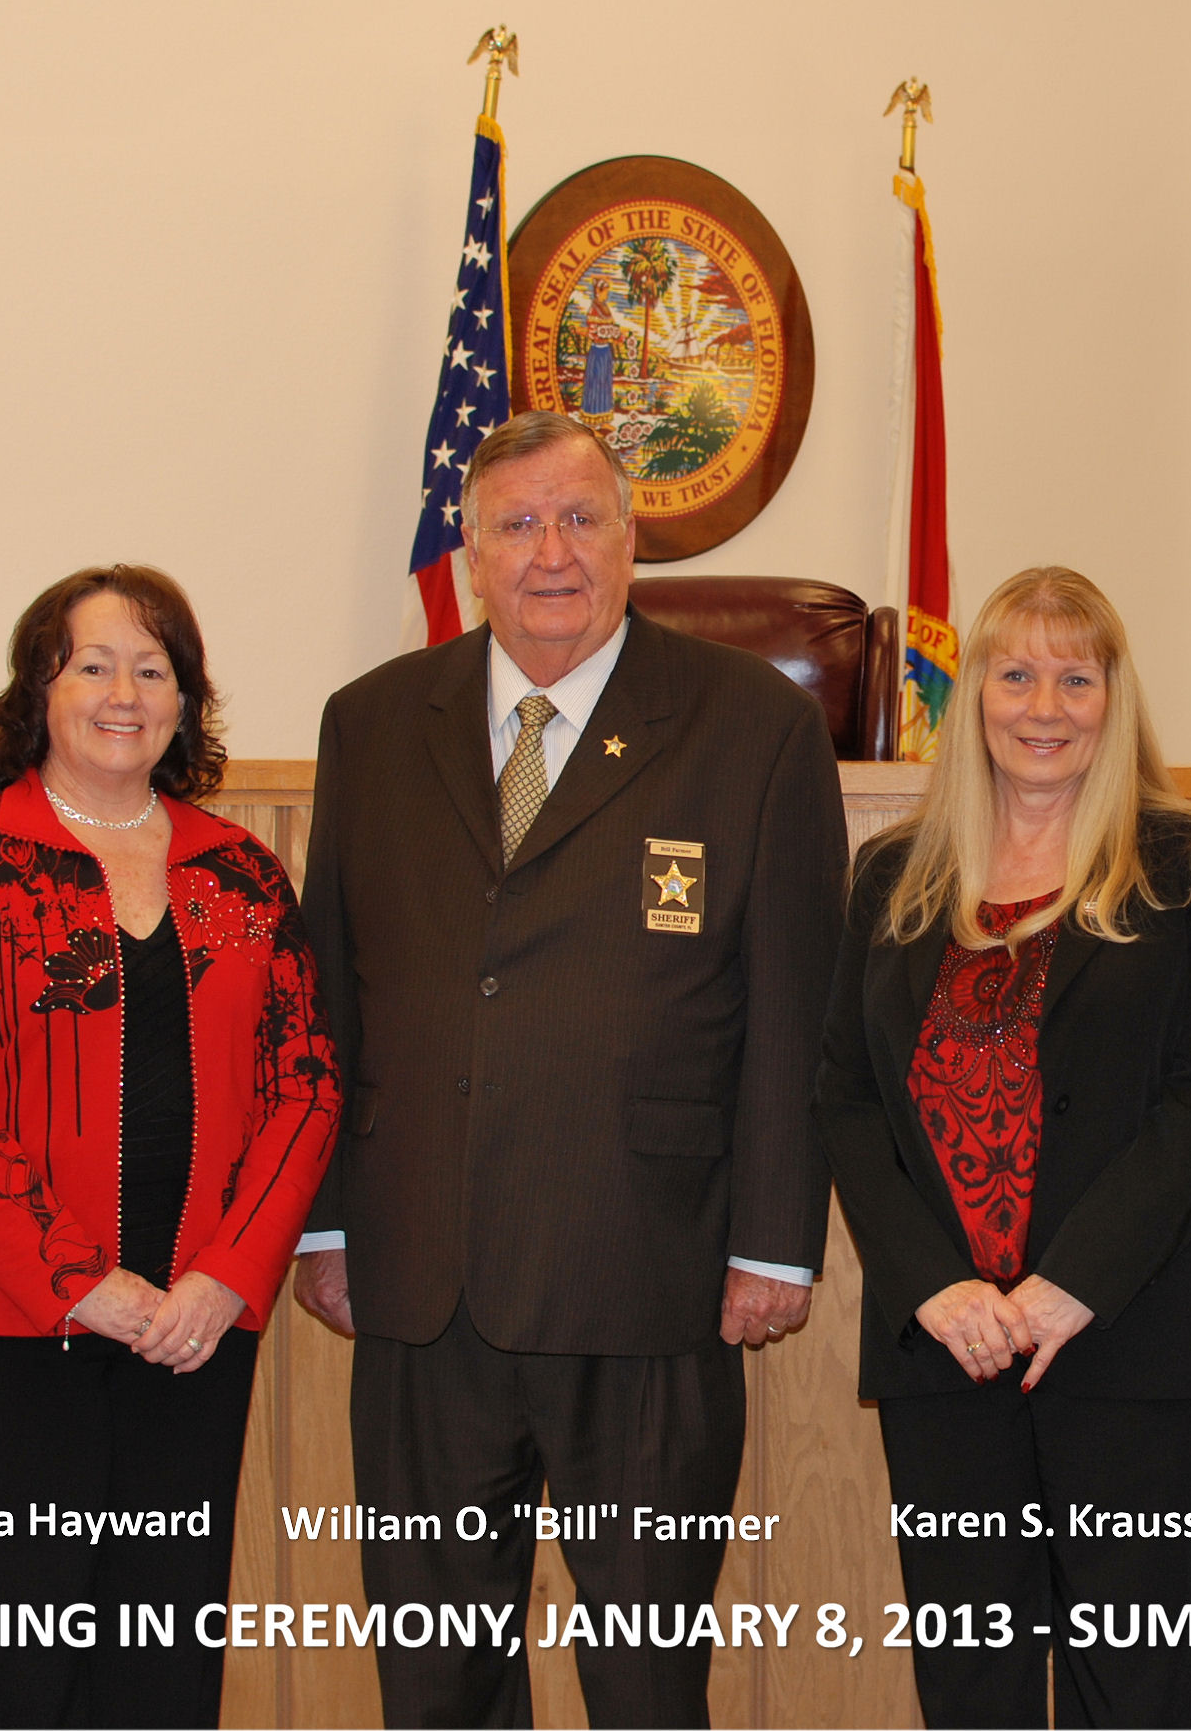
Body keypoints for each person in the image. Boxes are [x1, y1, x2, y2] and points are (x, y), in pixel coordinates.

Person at [289, 410, 847, 1728]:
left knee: (647, 1686)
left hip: (646, 1274)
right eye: (518, 525)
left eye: (581, 518)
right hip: (424, 1280)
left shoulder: (749, 727)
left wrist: (776, 1244)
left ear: (632, 539)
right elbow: (335, 988)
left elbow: (793, 1004)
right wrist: (325, 1215)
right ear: (471, 555)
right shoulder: (371, 724)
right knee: (436, 1683)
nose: (552, 553)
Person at [0, 566, 339, 1728]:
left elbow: (309, 1085)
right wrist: (77, 1283)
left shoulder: (241, 874)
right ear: (40, 689)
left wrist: (224, 1280)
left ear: (185, 700)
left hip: (192, 1336)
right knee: (16, 1672)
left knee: (162, 1664)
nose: (124, 692)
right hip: (9, 1336)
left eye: (153, 667)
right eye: (93, 664)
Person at [815, 566, 1191, 1728]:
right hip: (947, 1358)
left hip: (1136, 1349)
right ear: (973, 698)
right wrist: (932, 1289)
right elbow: (848, 1100)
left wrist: (1074, 1286)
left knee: (1132, 1694)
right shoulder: (892, 880)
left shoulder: (1190, 868)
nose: (1044, 706)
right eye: (1014, 675)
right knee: (972, 1693)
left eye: (1076, 677)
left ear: (1116, 697)